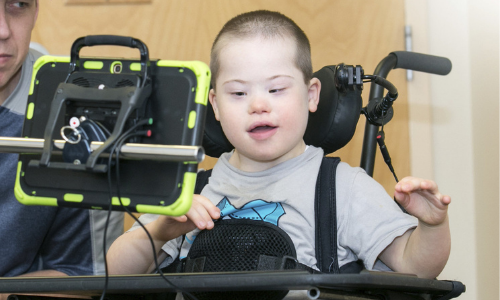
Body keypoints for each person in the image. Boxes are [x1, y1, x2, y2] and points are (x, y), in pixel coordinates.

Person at [107, 10, 451, 282]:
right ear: (214, 104)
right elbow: (111, 274)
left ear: (311, 94)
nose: (258, 105)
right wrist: (159, 232)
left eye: (276, 90)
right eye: (238, 93)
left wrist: (432, 227)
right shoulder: (189, 192)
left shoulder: (343, 189)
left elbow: (416, 268)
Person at [0, 0, 123, 278]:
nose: (3, 30)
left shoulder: (79, 120)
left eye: (17, 4)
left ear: (36, 11)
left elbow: (83, 277)